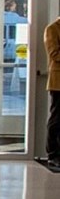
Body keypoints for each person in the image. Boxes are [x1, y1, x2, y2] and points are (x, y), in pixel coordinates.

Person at [46, 14, 60, 168]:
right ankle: (53, 154)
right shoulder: (52, 29)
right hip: (58, 83)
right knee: (56, 119)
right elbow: (54, 54)